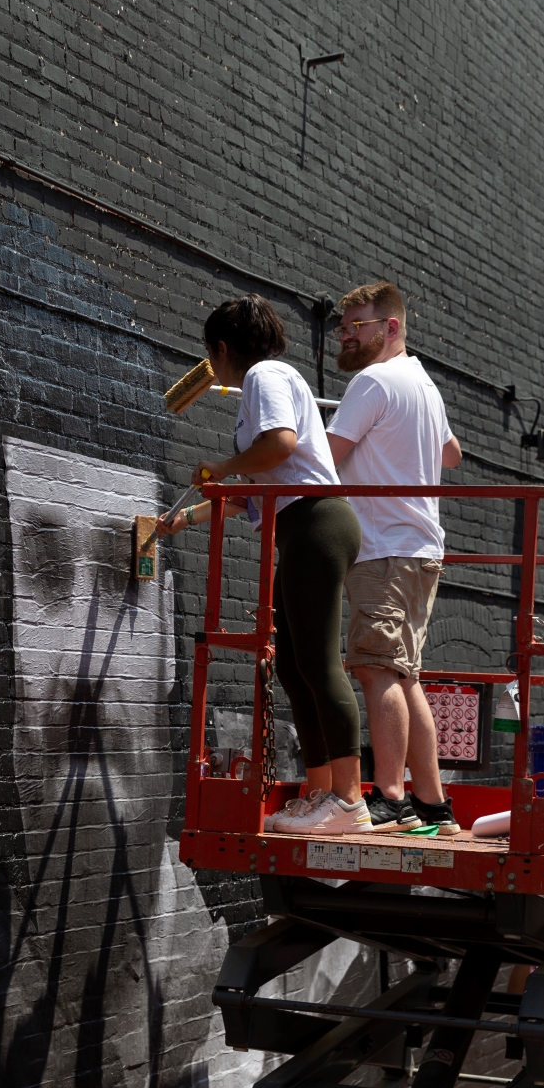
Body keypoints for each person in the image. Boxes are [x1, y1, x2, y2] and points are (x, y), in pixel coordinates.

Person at [158, 295, 369, 834]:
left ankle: (349, 802)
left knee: (319, 665)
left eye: (212, 355)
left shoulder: (265, 376)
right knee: (295, 667)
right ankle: (321, 792)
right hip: (302, 525)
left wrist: (223, 464)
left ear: (222, 349)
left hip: (316, 523)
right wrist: (187, 519)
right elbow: (262, 485)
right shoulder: (268, 382)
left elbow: (279, 445)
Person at [324, 281, 463, 834]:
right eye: (344, 326)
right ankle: (433, 805)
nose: (347, 335)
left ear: (392, 327)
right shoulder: (422, 384)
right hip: (422, 549)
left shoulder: (374, 381)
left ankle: (390, 797)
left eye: (358, 325)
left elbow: (326, 460)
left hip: (383, 549)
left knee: (377, 669)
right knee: (404, 676)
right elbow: (451, 454)